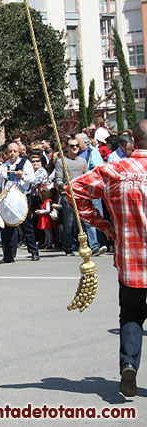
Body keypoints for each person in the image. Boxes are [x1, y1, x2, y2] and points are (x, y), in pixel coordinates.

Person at [69, 119, 147, 398]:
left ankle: (129, 365)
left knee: (131, 315)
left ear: (132, 143)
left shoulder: (114, 170)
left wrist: (103, 224)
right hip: (133, 257)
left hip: (131, 259)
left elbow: (74, 189)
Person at [0, 142, 40, 263]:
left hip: (22, 198)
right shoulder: (4, 166)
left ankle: (34, 252)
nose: (12, 154)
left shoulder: (25, 163)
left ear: (18, 152)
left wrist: (22, 176)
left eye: (14, 151)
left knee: (26, 225)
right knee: (7, 228)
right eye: (10, 151)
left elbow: (32, 178)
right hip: (8, 199)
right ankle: (8, 255)